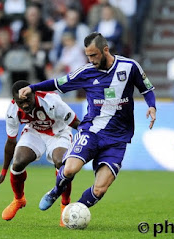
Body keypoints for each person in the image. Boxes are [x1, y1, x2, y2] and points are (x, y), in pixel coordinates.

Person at [18, 32, 156, 211]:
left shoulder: (129, 67)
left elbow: (147, 89)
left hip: (118, 138)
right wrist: (32, 88)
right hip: (92, 131)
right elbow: (58, 83)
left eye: (94, 55)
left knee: (100, 189)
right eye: (88, 56)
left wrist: (152, 106)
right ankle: (55, 191)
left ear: (105, 50)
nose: (90, 60)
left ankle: (74, 212)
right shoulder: (86, 72)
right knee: (69, 169)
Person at [0, 80, 80, 226]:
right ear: (15, 100)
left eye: (27, 100)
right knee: (18, 163)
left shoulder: (51, 101)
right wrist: (3, 172)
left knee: (61, 162)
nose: (25, 105)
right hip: (34, 132)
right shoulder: (12, 111)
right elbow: (11, 142)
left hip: (59, 132)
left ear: (34, 93)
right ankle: (19, 199)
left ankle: (65, 206)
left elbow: (76, 123)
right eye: (20, 102)